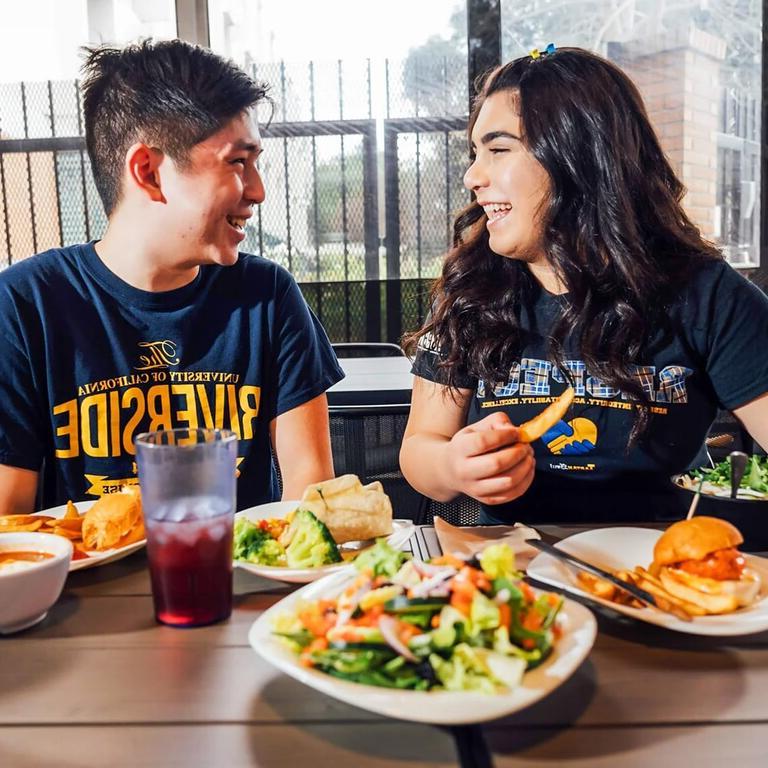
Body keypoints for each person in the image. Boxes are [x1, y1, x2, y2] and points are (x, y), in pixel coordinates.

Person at [400, 46, 768, 524]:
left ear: (578, 157)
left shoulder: (706, 293)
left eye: (498, 149)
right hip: (511, 576)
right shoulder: (472, 286)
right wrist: (451, 467)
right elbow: (420, 447)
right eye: (476, 153)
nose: (473, 175)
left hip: (664, 572)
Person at [0, 39, 343, 515]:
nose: (258, 191)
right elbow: (9, 523)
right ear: (149, 172)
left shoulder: (266, 296)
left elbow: (311, 497)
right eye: (238, 163)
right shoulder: (23, 305)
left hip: (241, 583)